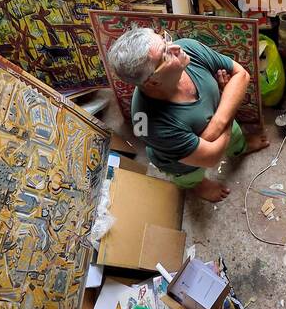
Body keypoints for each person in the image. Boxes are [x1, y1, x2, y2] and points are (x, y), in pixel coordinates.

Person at [104, 27, 269, 202]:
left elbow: (241, 75)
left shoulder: (188, 47)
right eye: (165, 55)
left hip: (215, 119)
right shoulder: (148, 124)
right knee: (190, 175)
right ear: (152, 81)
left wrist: (218, 122)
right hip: (181, 162)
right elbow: (210, 158)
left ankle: (240, 148)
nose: (176, 47)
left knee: (235, 136)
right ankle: (197, 185)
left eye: (165, 39)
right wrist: (227, 101)